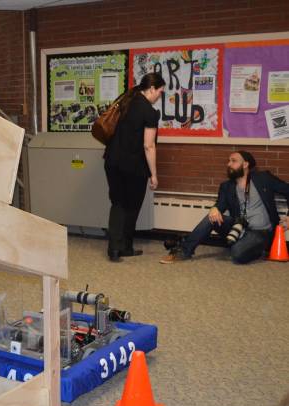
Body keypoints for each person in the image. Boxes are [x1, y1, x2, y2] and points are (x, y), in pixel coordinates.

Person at [160, 151, 289, 264]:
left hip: (261, 231)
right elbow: (220, 205)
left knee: (237, 255)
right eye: (228, 161)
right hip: (239, 227)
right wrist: (214, 209)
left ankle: (257, 248)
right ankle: (184, 250)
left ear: (245, 164)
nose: (229, 164)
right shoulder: (226, 186)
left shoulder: (263, 178)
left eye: (233, 161)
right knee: (211, 217)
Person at [104, 72, 165, 262]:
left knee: (118, 203)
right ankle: (125, 247)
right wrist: (153, 175)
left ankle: (114, 248)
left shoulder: (126, 101)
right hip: (133, 166)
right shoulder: (149, 112)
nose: (160, 96)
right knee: (131, 207)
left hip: (112, 162)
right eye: (160, 92)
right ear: (152, 89)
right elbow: (149, 146)